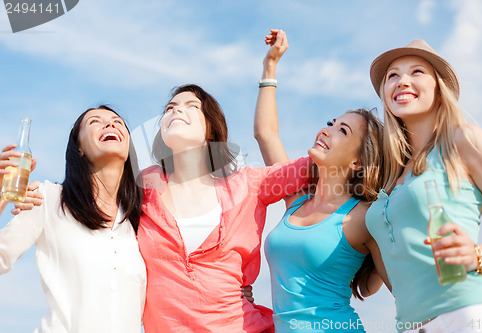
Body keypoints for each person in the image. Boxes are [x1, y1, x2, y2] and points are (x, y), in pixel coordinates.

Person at [137, 84, 312, 333]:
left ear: (210, 127)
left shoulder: (246, 185)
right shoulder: (141, 187)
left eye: (191, 106)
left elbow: (313, 167)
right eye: (170, 108)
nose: (176, 111)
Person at [254, 29, 387, 332]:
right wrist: (270, 66)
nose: (326, 130)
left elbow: (381, 287)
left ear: (358, 162)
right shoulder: (296, 198)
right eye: (331, 123)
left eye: (343, 131)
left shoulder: (363, 216)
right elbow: (266, 135)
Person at [366, 39, 482, 332]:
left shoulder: (462, 140)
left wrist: (479, 255)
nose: (402, 81)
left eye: (416, 72)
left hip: (469, 315)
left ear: (439, 90)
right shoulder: (390, 177)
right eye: (393, 76)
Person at [0, 106, 146, 333]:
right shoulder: (48, 199)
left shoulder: (139, 223)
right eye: (95, 121)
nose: (110, 124)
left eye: (117, 121)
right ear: (79, 149)